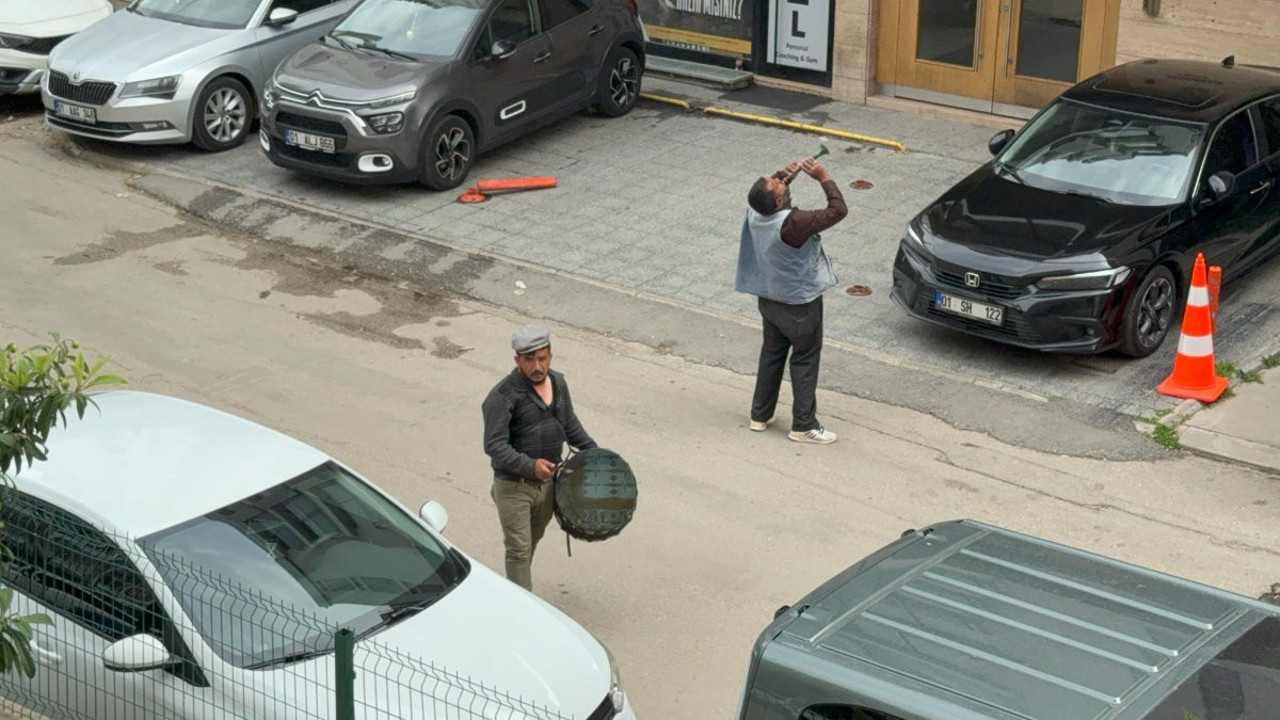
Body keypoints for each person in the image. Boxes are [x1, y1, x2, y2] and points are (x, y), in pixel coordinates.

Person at [735, 158, 848, 444]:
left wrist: (786, 176)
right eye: (776, 185)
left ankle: (760, 415)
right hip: (799, 304)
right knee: (805, 358)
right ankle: (804, 425)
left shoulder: (754, 212)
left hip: (769, 297)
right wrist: (824, 177)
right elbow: (838, 210)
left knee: (772, 354)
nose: (778, 181)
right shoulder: (793, 223)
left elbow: (768, 193)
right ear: (778, 203)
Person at [481, 324, 597, 591]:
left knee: (531, 542)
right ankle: (523, 608)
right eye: (529, 359)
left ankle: (514, 592)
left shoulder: (558, 382)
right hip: (513, 488)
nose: (537, 366)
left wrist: (596, 455)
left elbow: (570, 426)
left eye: (542, 358)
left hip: (548, 486)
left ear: (550, 356)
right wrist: (530, 466)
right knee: (519, 550)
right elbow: (495, 446)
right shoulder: (501, 397)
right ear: (517, 360)